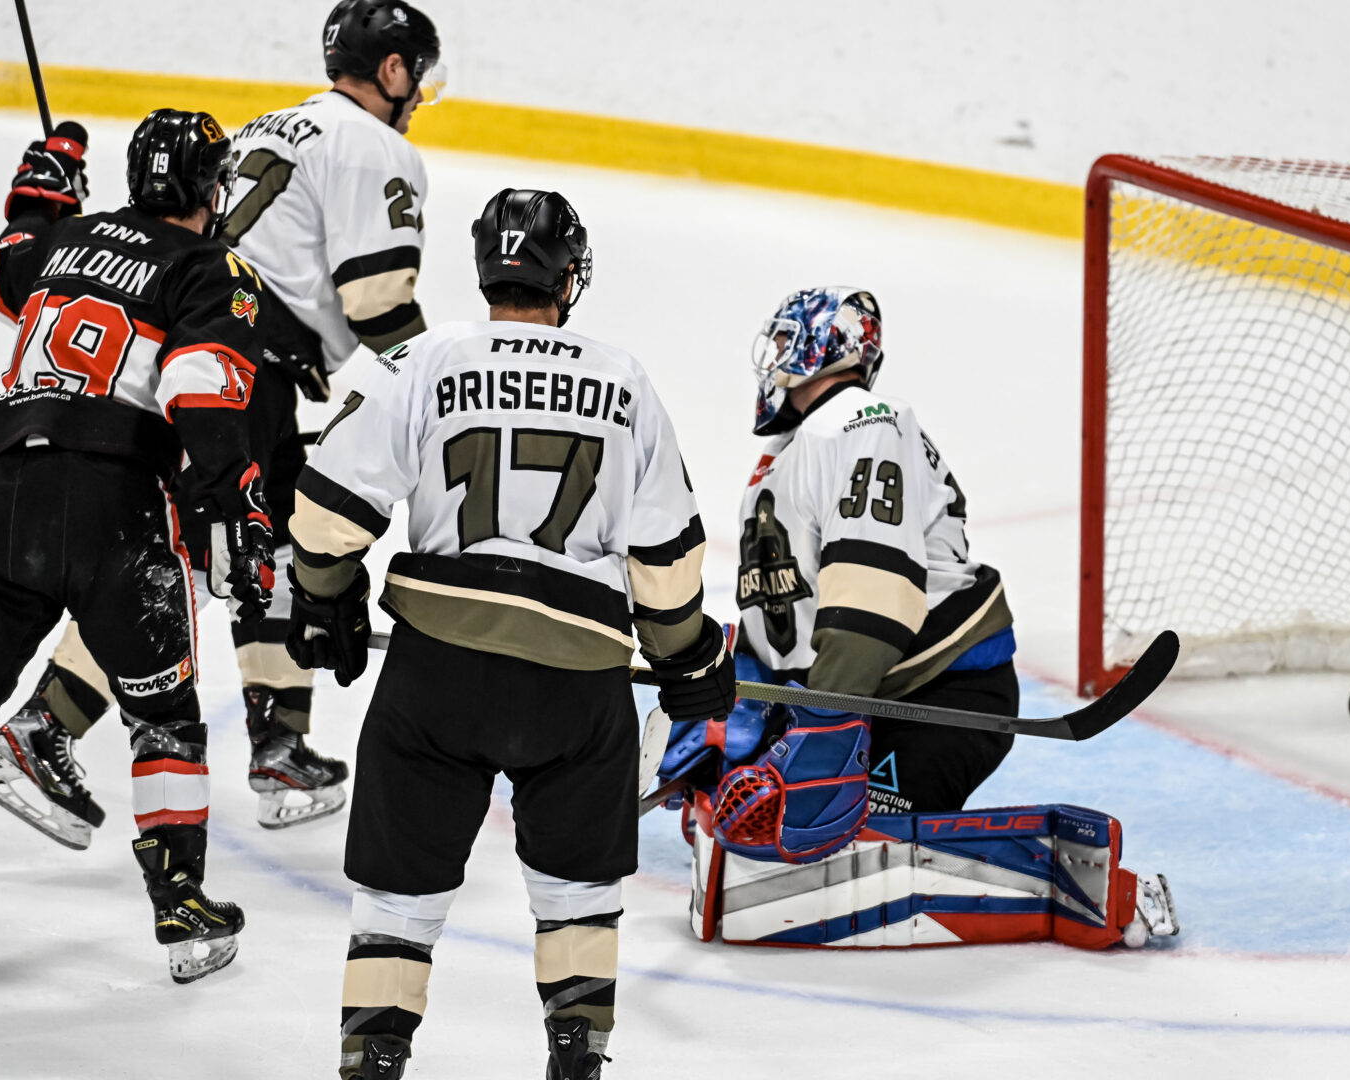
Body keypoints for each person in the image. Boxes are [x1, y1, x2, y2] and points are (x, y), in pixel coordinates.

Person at [286, 188, 733, 1079]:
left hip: (435, 677)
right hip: (577, 687)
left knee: (396, 906)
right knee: (577, 900)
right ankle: (576, 1061)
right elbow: (666, 565)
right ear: (569, 275)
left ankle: (373, 1061)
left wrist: (324, 595)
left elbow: (328, 510)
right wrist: (689, 663)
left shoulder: (422, 356)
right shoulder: (624, 378)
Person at [0, 0, 445, 836]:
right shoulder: (376, 145)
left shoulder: (278, 123)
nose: (418, 97)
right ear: (395, 69)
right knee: (195, 551)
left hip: (197, 342)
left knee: (264, 545)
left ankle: (279, 743)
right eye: (418, 77)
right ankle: (43, 726)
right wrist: (450, 393)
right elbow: (376, 300)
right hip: (242, 358)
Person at [658, 287, 1180, 949]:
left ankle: (1083, 886)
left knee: (825, 839)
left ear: (831, 350)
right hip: (853, 695)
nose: (777, 361)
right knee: (739, 800)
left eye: (791, 343)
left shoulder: (862, 419)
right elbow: (786, 607)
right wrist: (739, 702)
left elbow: (875, 588)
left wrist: (826, 725)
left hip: (933, 697)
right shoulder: (794, 451)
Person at [0, 109, 272, 982]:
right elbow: (196, 384)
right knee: (164, 715)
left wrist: (41, 195)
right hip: (110, 500)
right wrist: (239, 505)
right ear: (208, 191)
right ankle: (183, 912)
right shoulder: (211, 266)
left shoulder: (67, 238)